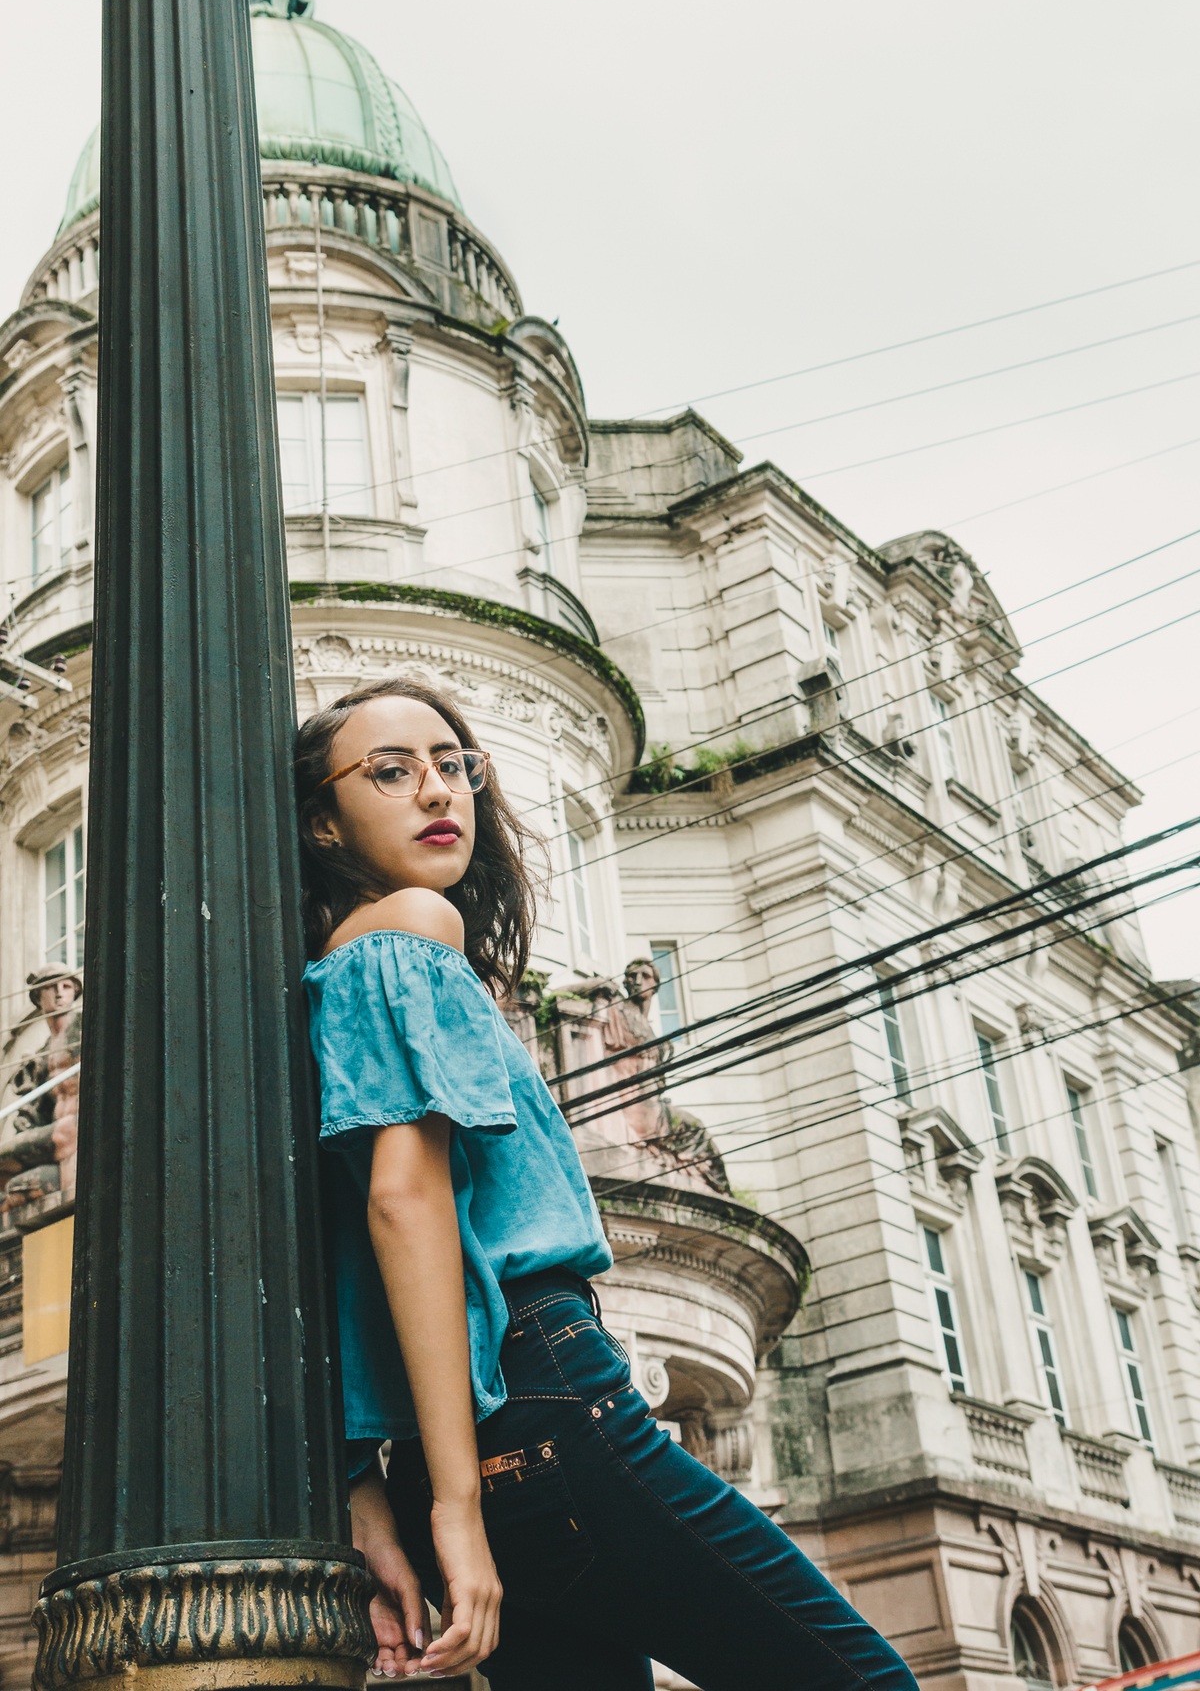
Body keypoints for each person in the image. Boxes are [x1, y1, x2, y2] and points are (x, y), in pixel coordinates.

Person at [294, 676, 920, 1691]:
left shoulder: (326, 985)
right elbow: (402, 1206)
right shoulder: (411, 927)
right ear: (323, 821)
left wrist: (375, 1500)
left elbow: (328, 1269)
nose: (439, 791)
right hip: (542, 1403)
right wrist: (457, 1507)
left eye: (454, 765)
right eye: (392, 772)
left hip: (445, 1447)